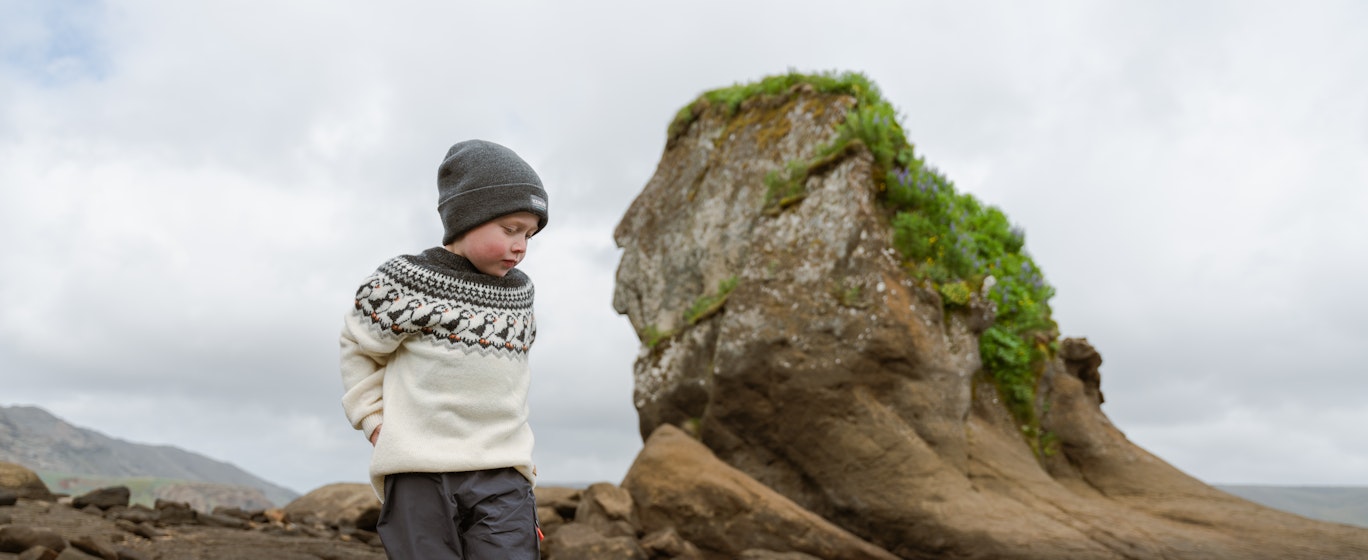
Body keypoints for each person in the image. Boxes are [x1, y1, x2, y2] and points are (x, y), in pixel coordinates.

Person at [339, 139, 549, 559]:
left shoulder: (521, 293)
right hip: (418, 468)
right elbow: (358, 348)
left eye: (529, 233)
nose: (521, 245)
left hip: (502, 470)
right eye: (510, 229)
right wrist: (372, 420)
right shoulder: (405, 282)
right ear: (466, 219)